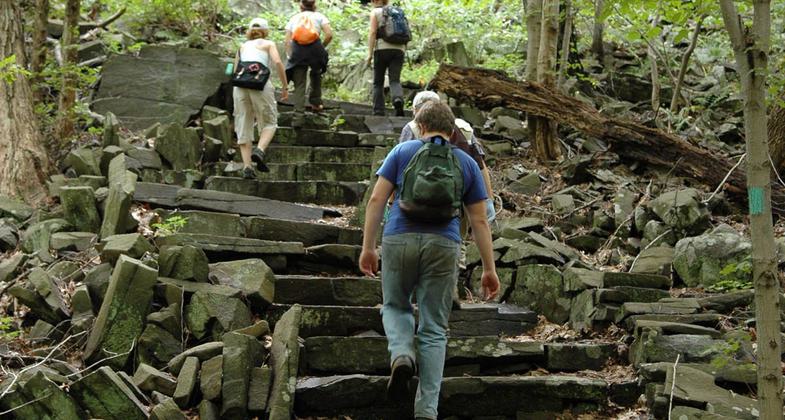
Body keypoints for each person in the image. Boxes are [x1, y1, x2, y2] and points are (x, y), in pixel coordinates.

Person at [359, 101, 500, 420]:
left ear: (419, 127)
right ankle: (426, 410)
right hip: (444, 244)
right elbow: (479, 221)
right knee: (435, 327)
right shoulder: (465, 162)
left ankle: (402, 355)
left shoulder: (402, 152)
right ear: (452, 133)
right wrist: (489, 269)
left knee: (395, 306)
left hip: (398, 239)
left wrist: (369, 247)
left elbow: (376, 199)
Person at [400, 91, 496, 223]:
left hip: (417, 196)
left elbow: (401, 166)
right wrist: (488, 199)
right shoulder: (463, 127)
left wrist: (392, 202)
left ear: (415, 110)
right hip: (457, 195)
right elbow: (479, 164)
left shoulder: (412, 128)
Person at [232, 18, 288, 179]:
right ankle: (260, 150)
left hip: (240, 86)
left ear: (249, 31)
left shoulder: (242, 47)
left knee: (243, 122)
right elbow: (277, 61)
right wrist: (284, 86)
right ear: (265, 31)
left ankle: (247, 167)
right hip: (260, 85)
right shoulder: (268, 44)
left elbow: (235, 70)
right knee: (270, 122)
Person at [285, 0, 332, 127]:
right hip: (315, 49)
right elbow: (329, 34)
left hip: (298, 51)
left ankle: (298, 118)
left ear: (301, 6)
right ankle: (316, 104)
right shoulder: (320, 16)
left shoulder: (294, 18)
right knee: (316, 74)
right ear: (314, 5)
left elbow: (288, 40)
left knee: (299, 85)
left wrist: (290, 55)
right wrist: (321, 47)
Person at [367, 0, 406, 116]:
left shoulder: (375, 12)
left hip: (382, 49)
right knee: (395, 80)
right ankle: (398, 99)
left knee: (378, 82)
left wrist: (369, 53)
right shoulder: (397, 11)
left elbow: (373, 32)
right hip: (399, 49)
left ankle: (378, 111)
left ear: (375, 1)